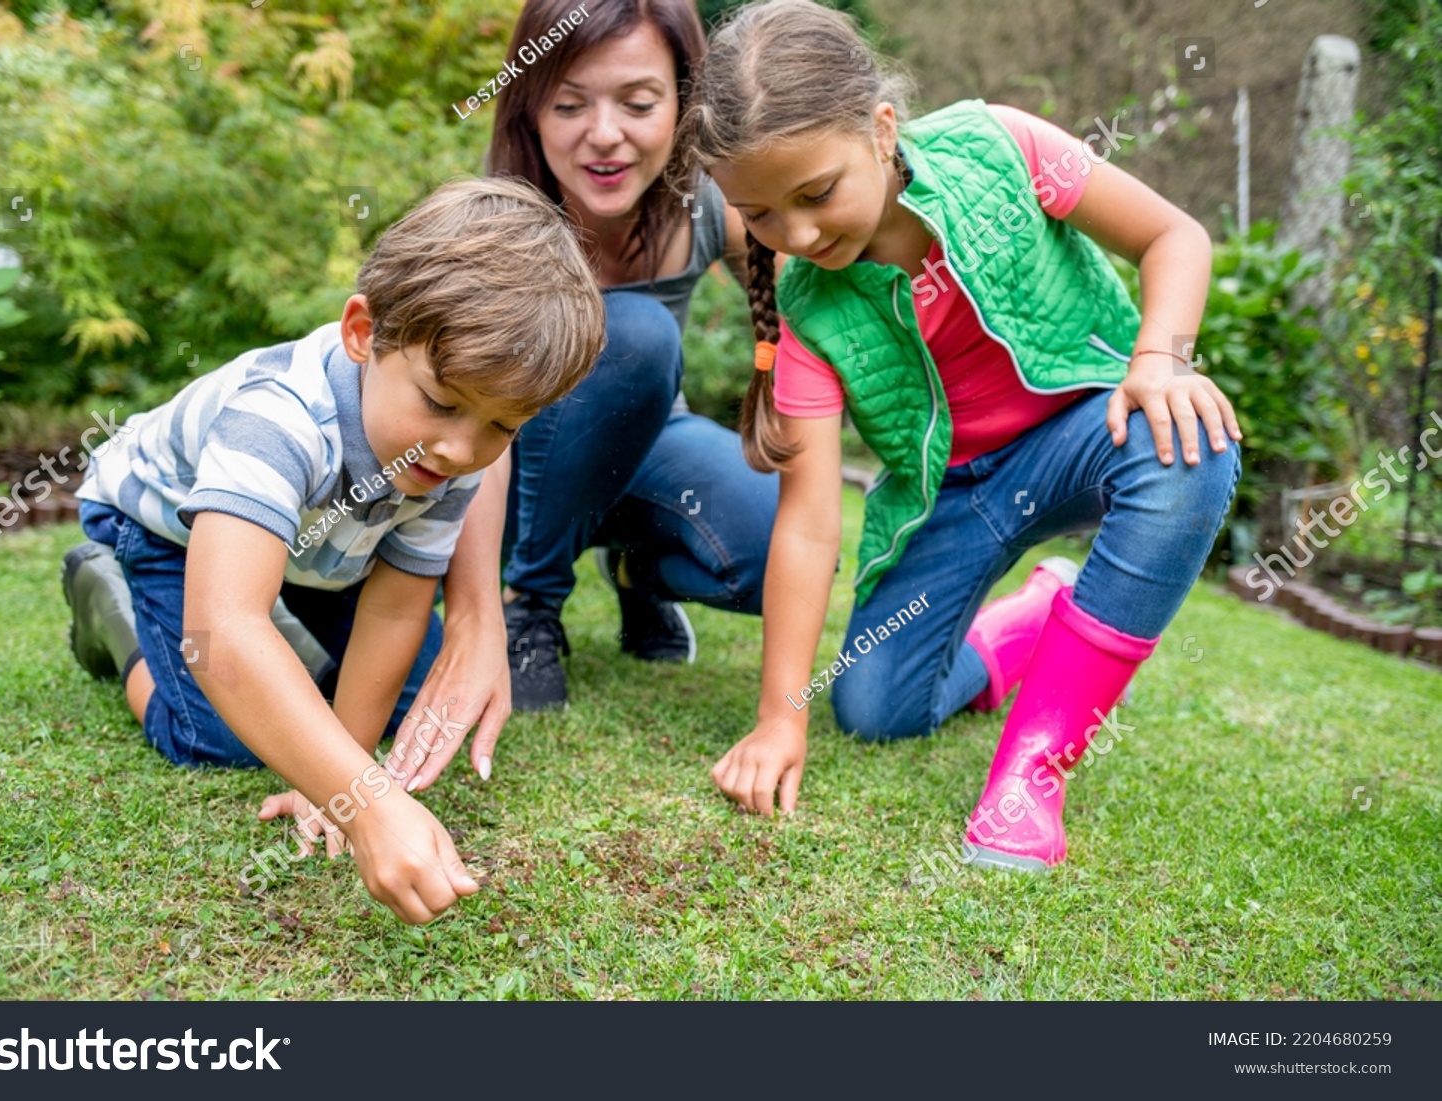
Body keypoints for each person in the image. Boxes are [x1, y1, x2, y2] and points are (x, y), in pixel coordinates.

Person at [678, 0, 1242, 870]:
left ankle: (1031, 771)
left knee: (1188, 440)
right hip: (954, 496)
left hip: (1086, 433)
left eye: (816, 194)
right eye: (760, 214)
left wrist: (1161, 359)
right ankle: (1025, 626)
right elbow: (809, 521)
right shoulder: (808, 310)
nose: (798, 235)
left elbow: (1174, 235)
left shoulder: (1001, 147)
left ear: (880, 128)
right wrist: (778, 717)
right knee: (873, 707)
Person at [60, 178, 604, 921]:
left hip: (323, 546)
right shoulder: (279, 420)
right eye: (441, 403)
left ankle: (288, 628)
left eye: (501, 426)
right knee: (218, 730)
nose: (459, 447)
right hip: (167, 532)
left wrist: (340, 786)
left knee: (416, 706)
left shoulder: (451, 454)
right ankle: (107, 606)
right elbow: (222, 633)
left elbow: (394, 609)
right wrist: (373, 806)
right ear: (362, 332)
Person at [485, 0, 779, 710]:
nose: (605, 135)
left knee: (781, 548)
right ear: (529, 109)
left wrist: (771, 391)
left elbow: (790, 310)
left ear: (684, 100)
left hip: (643, 451)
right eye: (569, 104)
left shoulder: (712, 204)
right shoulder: (495, 222)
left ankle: (635, 573)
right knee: (636, 332)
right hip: (506, 471)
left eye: (639, 102)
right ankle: (529, 604)